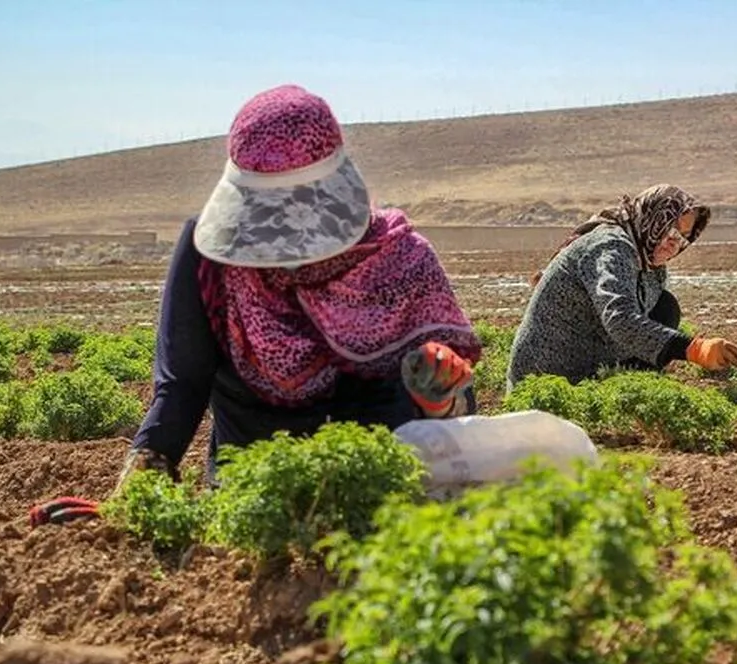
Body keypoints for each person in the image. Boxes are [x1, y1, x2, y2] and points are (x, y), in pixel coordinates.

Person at [30, 85, 482, 525]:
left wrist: (438, 396)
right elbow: (182, 385)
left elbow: (454, 402)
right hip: (253, 506)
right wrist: (137, 495)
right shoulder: (210, 261)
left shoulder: (401, 261)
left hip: (387, 502)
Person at [506, 184, 737, 389]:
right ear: (653, 218)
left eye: (684, 236)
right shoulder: (611, 247)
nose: (675, 243)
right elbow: (620, 318)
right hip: (546, 374)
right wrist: (694, 349)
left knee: (665, 308)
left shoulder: (651, 266)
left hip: (589, 358)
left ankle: (624, 388)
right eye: (671, 230)